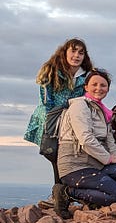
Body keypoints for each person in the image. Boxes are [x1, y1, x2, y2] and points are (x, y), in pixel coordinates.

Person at [54, 69, 116, 219]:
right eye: (94, 84)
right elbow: (86, 139)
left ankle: (96, 197)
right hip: (75, 166)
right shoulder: (80, 106)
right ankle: (67, 192)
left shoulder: (104, 113)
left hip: (96, 165)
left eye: (103, 85)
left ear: (108, 89)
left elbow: (112, 147)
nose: (99, 88)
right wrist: (108, 158)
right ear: (86, 87)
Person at [24, 38, 94, 202]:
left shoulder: (87, 76)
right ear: (65, 52)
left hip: (72, 123)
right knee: (55, 156)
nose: (76, 55)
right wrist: (53, 124)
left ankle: (62, 194)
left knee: (68, 159)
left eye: (80, 52)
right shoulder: (51, 71)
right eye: (73, 51)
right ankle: (60, 195)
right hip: (51, 122)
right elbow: (46, 101)